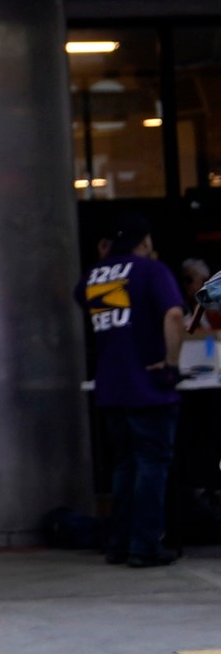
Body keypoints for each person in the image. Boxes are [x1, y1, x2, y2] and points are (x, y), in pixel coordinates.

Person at [79, 213, 186, 568]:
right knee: (152, 465)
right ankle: (144, 546)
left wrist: (104, 259)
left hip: (111, 388)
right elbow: (173, 315)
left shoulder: (93, 277)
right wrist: (171, 364)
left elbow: (95, 303)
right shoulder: (151, 270)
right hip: (148, 387)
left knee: (124, 467)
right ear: (144, 242)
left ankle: (119, 543)